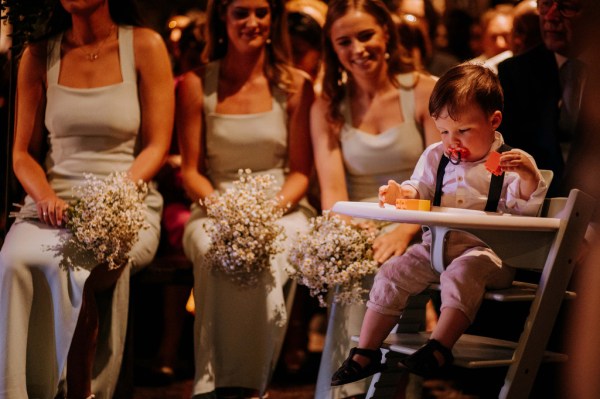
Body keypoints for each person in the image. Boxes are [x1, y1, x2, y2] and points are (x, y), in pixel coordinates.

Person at [330, 63, 549, 385]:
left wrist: (530, 176)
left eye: (463, 131)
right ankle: (366, 352)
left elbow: (524, 212)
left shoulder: (507, 161)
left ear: (494, 121)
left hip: (491, 255)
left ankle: (440, 346)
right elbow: (420, 188)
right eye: (444, 131)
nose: (452, 141)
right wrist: (400, 192)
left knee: (463, 271)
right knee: (392, 272)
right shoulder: (436, 156)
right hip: (436, 249)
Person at [0, 0, 174, 398]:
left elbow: (157, 145)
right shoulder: (39, 52)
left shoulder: (145, 45)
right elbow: (21, 153)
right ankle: (21, 390)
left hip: (125, 196)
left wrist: (115, 195)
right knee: (13, 261)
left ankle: (81, 389)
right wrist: (44, 196)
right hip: (53, 197)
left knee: (75, 267)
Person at [176, 0, 315, 398]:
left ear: (274, 20)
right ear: (223, 18)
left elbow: (301, 172)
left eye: (261, 12)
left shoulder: (295, 85)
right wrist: (227, 211)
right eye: (241, 12)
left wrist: (265, 213)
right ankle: (213, 381)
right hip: (214, 204)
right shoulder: (196, 83)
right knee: (210, 248)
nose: (252, 22)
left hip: (281, 207)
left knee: (268, 252)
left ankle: (254, 384)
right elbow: (191, 171)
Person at [310, 1, 439, 397]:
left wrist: (404, 230)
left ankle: (383, 386)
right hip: (357, 219)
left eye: (366, 35)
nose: (357, 49)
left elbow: (440, 180)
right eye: (344, 41)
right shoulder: (327, 104)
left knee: (391, 260)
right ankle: (348, 390)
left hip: (419, 216)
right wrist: (354, 232)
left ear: (386, 32)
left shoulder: (424, 91)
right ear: (333, 48)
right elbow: (333, 194)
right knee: (356, 261)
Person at [497, 0, 587, 196]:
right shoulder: (514, 73)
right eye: (545, 4)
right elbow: (500, 151)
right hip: (532, 208)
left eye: (567, 6)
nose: (550, 17)